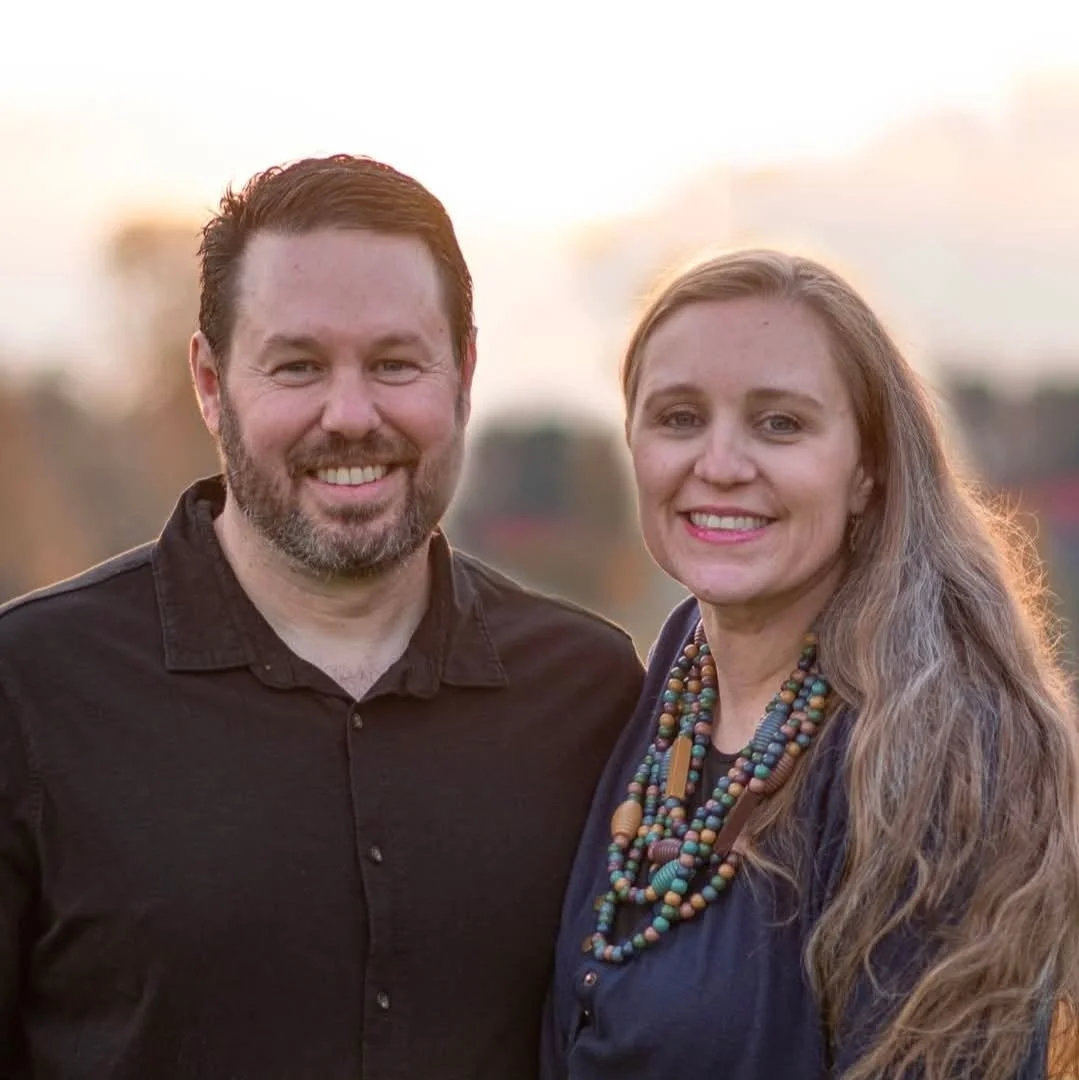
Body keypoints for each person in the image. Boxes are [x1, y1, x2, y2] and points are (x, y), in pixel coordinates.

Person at [0, 155, 645, 1080]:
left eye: (394, 363)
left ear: (462, 374)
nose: (349, 414)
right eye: (298, 365)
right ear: (211, 382)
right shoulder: (32, 686)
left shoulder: (589, 693)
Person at [542, 249, 1079, 1080]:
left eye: (780, 424)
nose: (719, 464)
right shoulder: (682, 666)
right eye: (678, 418)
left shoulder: (943, 753)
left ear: (866, 470)